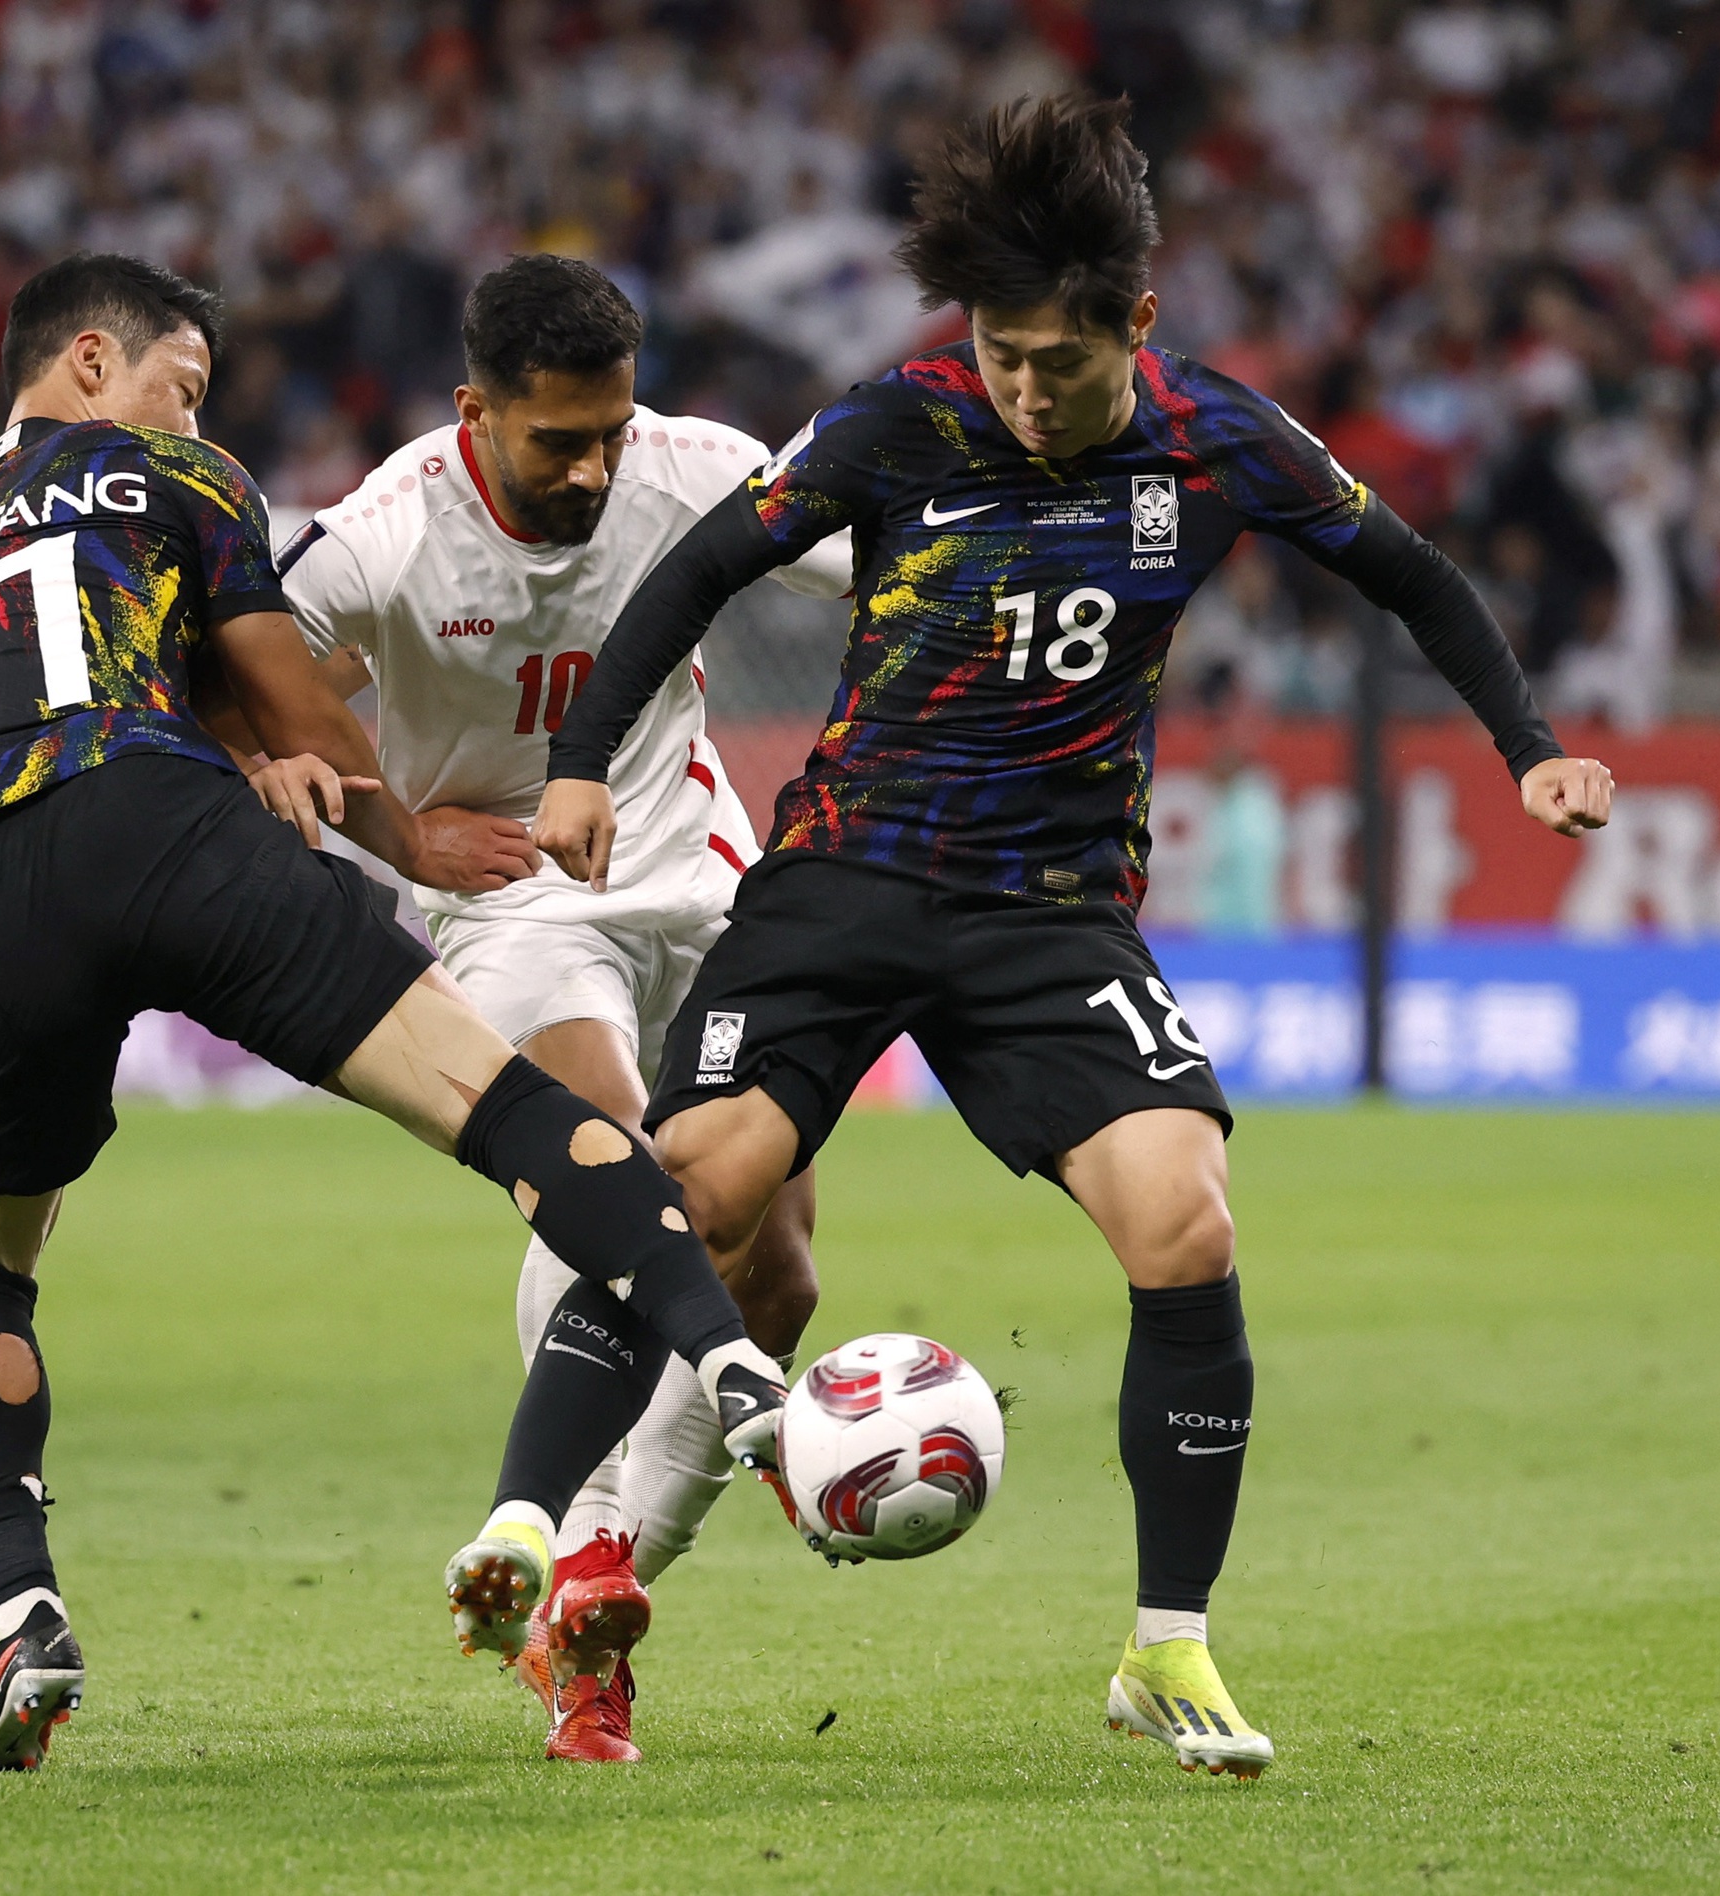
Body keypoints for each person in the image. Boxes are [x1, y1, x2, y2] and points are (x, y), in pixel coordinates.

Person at [533, 98, 1615, 1780]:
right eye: (998, 353)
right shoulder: (900, 420)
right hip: (843, 882)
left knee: (1186, 1221)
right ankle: (573, 1554)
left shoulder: (1220, 438)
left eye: (1055, 359)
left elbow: (1414, 578)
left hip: (1049, 912)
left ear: (1138, 326)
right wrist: (577, 764)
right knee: (712, 1193)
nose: (1022, 390)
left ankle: (1166, 1651)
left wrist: (1527, 745)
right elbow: (690, 579)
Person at [0, 252, 789, 1773]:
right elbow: (286, 701)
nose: (190, 407)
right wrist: (408, 837)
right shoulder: (177, 475)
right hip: (167, 831)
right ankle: (736, 1372)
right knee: (512, 1113)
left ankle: (25, 1610)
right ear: (95, 365)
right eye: (182, 381)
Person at [245, 254, 851, 1764]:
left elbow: (893, 555)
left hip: (700, 875)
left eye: (610, 432)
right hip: (511, 901)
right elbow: (241, 680)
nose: (592, 468)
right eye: (555, 441)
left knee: (775, 1273)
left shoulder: (698, 469)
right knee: (611, 1165)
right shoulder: (384, 540)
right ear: (475, 413)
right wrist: (394, 833)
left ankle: (599, 1586)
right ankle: (568, 1533)